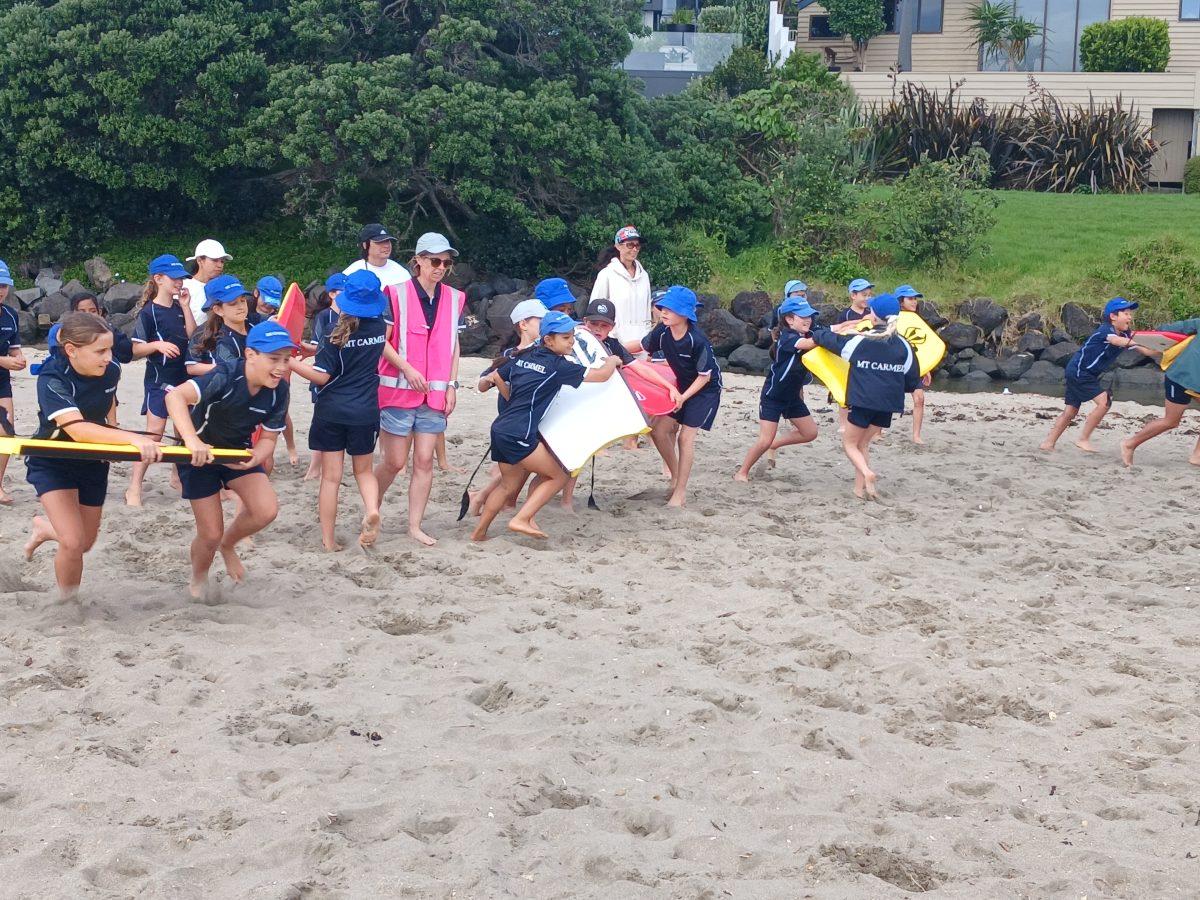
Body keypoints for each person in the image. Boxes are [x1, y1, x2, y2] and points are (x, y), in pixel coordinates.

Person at [22, 312, 162, 600]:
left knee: (85, 542)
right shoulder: (52, 376)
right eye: (100, 351)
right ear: (71, 350)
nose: (109, 357)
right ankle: (67, 602)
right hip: (52, 460)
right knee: (73, 542)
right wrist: (132, 438)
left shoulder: (111, 370)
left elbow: (106, 402)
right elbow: (77, 429)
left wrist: (112, 433)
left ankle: (45, 529)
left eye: (110, 349)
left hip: (92, 461)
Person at [166, 321, 293, 598]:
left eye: (286, 359)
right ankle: (199, 577)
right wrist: (192, 440)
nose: (282, 367)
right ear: (250, 355)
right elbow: (175, 397)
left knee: (266, 510)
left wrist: (257, 456)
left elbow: (269, 438)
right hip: (199, 456)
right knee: (209, 533)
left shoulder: (280, 390)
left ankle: (229, 544)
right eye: (274, 359)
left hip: (237, 452)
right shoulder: (225, 375)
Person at [471, 311, 620, 541]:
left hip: (500, 428)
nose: (571, 342)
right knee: (558, 476)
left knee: (507, 486)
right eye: (565, 338)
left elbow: (490, 381)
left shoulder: (523, 356)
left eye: (572, 336)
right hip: (520, 433)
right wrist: (611, 361)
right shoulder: (558, 366)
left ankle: (479, 533)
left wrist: (500, 386)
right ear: (548, 340)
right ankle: (522, 518)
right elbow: (601, 376)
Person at [375, 232, 466, 546]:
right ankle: (372, 506)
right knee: (394, 462)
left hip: (435, 392)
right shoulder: (394, 293)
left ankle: (414, 526)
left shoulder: (455, 298)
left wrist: (452, 385)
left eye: (446, 263)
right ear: (419, 261)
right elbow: (382, 341)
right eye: (435, 261)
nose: (441, 267)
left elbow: (453, 345)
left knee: (425, 460)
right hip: (398, 390)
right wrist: (407, 368)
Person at [289, 270, 387, 551]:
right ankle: (372, 509)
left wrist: (290, 362)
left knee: (331, 478)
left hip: (332, 409)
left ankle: (329, 541)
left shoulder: (334, 332)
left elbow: (322, 376)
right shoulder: (379, 327)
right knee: (364, 472)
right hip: (366, 409)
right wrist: (314, 350)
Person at [797, 294, 921, 500]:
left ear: (874, 316)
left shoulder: (861, 341)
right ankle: (859, 489)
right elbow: (911, 380)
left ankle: (867, 473)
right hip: (888, 405)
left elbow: (831, 341)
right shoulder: (904, 345)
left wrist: (817, 334)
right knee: (863, 444)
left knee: (849, 444)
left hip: (863, 401)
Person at [125, 255, 198, 506]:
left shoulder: (179, 307)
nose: (179, 282)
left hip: (183, 378)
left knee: (182, 432)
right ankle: (134, 486)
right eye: (174, 278)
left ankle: (177, 477)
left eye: (181, 278)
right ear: (158, 279)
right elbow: (135, 349)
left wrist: (186, 307)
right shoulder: (148, 312)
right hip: (159, 379)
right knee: (154, 435)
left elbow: (193, 337)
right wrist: (158, 345)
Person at [1039, 298, 1156, 453]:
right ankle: (1083, 439)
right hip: (1080, 371)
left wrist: (1165, 349)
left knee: (1070, 411)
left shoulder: (1125, 334)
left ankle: (1048, 443)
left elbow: (1147, 351)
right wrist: (1133, 342)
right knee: (1104, 402)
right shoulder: (1106, 330)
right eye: (1126, 313)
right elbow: (1115, 341)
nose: (1130, 317)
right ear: (1113, 316)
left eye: (1130, 314)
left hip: (1083, 372)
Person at [641, 286, 722, 508]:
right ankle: (675, 476)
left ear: (686, 314)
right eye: (663, 308)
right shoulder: (662, 331)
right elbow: (640, 346)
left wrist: (683, 398)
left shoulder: (697, 340)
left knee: (685, 438)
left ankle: (680, 492)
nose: (664, 312)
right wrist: (611, 349)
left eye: (671, 309)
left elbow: (705, 377)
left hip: (705, 390)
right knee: (658, 430)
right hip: (682, 386)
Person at [469, 299, 548, 516]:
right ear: (523, 324)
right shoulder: (510, 355)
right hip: (515, 419)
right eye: (540, 320)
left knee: (518, 468)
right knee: (517, 469)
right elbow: (484, 385)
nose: (545, 324)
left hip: (530, 418)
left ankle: (485, 498)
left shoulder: (543, 352)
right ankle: (482, 497)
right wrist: (491, 379)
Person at [734, 295, 820, 481]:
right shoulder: (787, 338)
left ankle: (775, 445)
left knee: (810, 433)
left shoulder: (805, 333)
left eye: (809, 316)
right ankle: (742, 472)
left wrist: (848, 328)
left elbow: (827, 332)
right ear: (789, 319)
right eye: (803, 316)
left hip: (792, 398)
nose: (808, 320)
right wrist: (829, 336)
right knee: (764, 439)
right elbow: (811, 343)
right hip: (773, 397)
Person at [1121, 316, 1200, 467]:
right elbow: (1172, 329)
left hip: (1194, 382)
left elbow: (1174, 327)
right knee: (1171, 421)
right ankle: (1129, 444)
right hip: (1180, 377)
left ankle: (1197, 456)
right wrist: (1145, 338)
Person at [303, 273, 346, 481]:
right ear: (332, 294)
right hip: (324, 373)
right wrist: (302, 347)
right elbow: (317, 346)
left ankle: (331, 466)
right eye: (343, 291)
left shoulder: (353, 316)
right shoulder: (324, 316)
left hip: (343, 376)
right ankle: (314, 467)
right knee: (320, 421)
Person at [590, 225, 652, 347]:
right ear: (618, 246)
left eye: (637, 245)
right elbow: (596, 310)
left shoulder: (644, 276)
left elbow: (647, 310)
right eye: (630, 245)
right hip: (615, 342)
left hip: (641, 344)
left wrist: (647, 338)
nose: (634, 249)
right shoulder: (607, 274)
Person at [0, 258, 28, 503]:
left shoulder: (10, 315)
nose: (0, 290)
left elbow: (14, 348)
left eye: (3, 285)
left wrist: (19, 359)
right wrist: (3, 361)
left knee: (6, 433)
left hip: (2, 382)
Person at [185, 275, 251, 377]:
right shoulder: (205, 334)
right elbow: (191, 368)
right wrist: (224, 367)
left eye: (243, 300)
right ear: (218, 310)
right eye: (233, 303)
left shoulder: (256, 324)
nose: (240, 307)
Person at [896, 284, 931, 444]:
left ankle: (916, 436)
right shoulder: (891, 319)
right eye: (910, 298)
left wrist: (926, 368)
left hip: (914, 367)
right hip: (895, 365)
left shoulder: (918, 321)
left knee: (919, 398)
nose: (914, 302)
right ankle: (877, 432)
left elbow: (922, 347)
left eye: (915, 299)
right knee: (886, 398)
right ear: (900, 301)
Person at [343, 223, 412, 289]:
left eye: (387, 241)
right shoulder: (351, 273)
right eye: (379, 242)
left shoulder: (402, 273)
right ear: (365, 245)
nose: (386, 246)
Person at [183, 239, 232, 325]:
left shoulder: (225, 287)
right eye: (214, 260)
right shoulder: (183, 287)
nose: (220, 265)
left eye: (222, 261)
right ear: (199, 260)